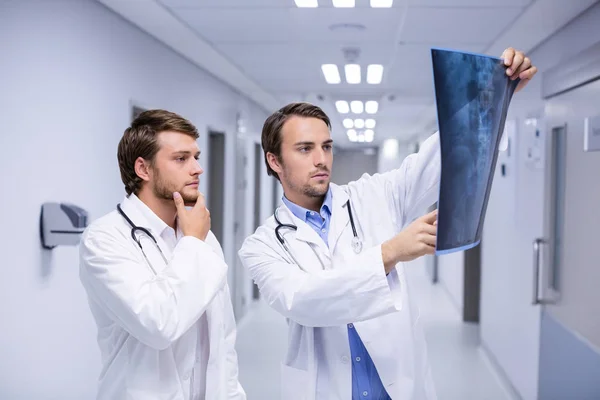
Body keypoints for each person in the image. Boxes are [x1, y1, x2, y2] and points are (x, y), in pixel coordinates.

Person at [238, 48, 537, 399]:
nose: (321, 159)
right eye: (305, 149)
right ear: (274, 160)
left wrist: (492, 99)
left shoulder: (376, 195)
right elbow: (303, 299)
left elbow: (439, 156)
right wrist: (390, 252)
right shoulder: (261, 246)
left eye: (327, 146)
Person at [79, 110, 246, 400]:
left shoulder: (203, 236)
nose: (197, 169)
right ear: (143, 169)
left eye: (196, 157)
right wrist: (192, 242)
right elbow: (158, 324)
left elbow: (223, 339)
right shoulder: (104, 239)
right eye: (181, 159)